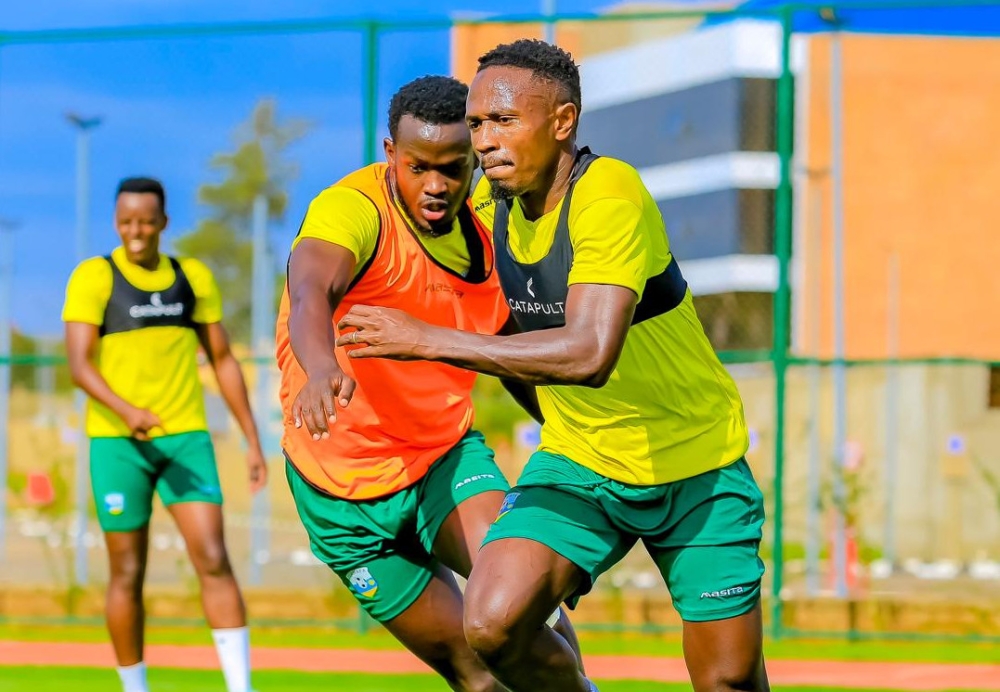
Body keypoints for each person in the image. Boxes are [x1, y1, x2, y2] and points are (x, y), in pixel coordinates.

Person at [336, 40, 771, 692]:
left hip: (695, 465)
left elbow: (589, 354)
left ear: (563, 121)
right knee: (493, 622)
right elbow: (495, 330)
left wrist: (427, 339)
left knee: (729, 679)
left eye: (504, 121)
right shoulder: (483, 215)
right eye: (477, 124)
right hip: (580, 466)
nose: (484, 141)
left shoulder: (608, 196)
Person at [275, 75, 580, 692]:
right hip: (339, 494)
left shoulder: (495, 230)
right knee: (476, 675)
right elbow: (311, 291)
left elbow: (508, 348)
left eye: (453, 167)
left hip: (444, 457)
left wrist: (568, 423)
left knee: (518, 607)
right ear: (391, 152)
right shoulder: (352, 211)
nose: (436, 185)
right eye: (418, 167)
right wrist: (321, 367)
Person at [63, 176, 266, 692]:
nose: (137, 232)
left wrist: (251, 439)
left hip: (185, 440)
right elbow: (80, 366)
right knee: (127, 572)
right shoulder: (94, 278)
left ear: (163, 223)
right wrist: (126, 410)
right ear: (117, 221)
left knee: (214, 558)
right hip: (117, 445)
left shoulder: (191, 276)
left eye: (147, 222)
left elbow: (222, 360)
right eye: (127, 222)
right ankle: (136, 687)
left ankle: (241, 687)